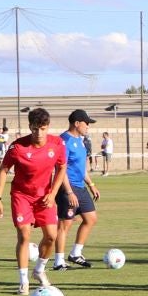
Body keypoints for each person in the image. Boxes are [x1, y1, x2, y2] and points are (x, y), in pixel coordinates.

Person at [0, 107, 68, 294]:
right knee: (24, 235)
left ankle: (39, 270)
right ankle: (24, 281)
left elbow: (61, 168)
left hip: (44, 197)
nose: (39, 133)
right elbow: (3, 170)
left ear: (48, 127)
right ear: (30, 127)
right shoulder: (18, 147)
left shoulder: (57, 144)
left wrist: (52, 194)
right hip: (22, 196)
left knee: (52, 236)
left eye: (43, 128)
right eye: (35, 129)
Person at [53, 109, 101, 270]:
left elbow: (81, 167)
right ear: (77, 123)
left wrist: (91, 184)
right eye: (86, 123)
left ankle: (75, 254)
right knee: (64, 225)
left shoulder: (79, 140)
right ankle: (58, 261)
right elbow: (61, 169)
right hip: (67, 187)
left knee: (91, 218)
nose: (88, 126)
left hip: (80, 187)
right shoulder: (64, 141)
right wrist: (69, 191)